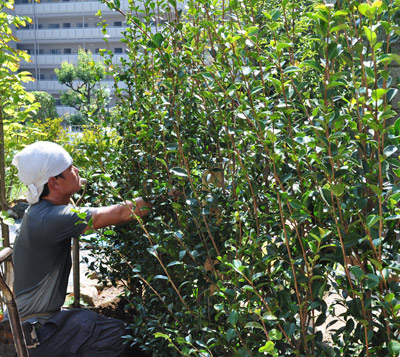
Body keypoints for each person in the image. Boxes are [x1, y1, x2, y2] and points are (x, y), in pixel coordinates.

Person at [9, 141, 152, 356]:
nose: (76, 171)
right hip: (37, 336)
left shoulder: (39, 212)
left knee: (93, 323)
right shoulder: (51, 219)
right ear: (55, 182)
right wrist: (165, 196)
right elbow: (122, 213)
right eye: (70, 168)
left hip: (33, 326)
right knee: (122, 337)